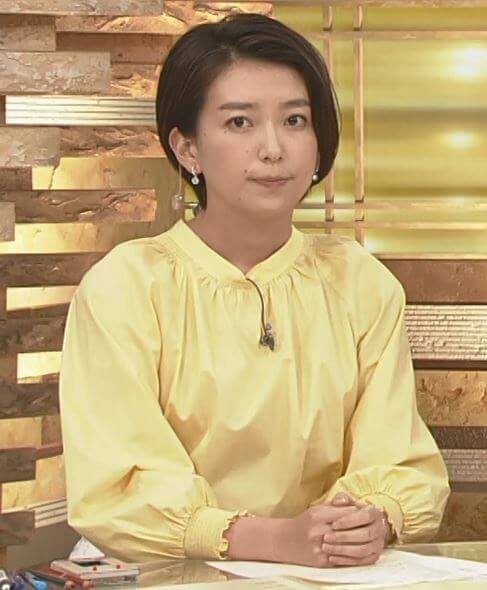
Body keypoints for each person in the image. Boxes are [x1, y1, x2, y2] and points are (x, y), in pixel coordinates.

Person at [59, 12, 450, 568]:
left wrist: (370, 520)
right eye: (240, 122)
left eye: (294, 120)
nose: (273, 148)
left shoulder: (360, 283)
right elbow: (118, 488)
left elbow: (399, 462)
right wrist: (276, 540)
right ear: (187, 149)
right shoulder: (126, 287)